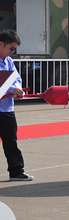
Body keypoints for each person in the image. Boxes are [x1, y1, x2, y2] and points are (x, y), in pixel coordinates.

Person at [0, 30, 31, 181]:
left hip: (6, 108)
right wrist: (13, 89)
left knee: (11, 142)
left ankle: (16, 171)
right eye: (11, 48)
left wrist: (18, 89)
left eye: (14, 49)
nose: (12, 52)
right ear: (1, 44)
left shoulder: (9, 61)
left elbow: (16, 78)